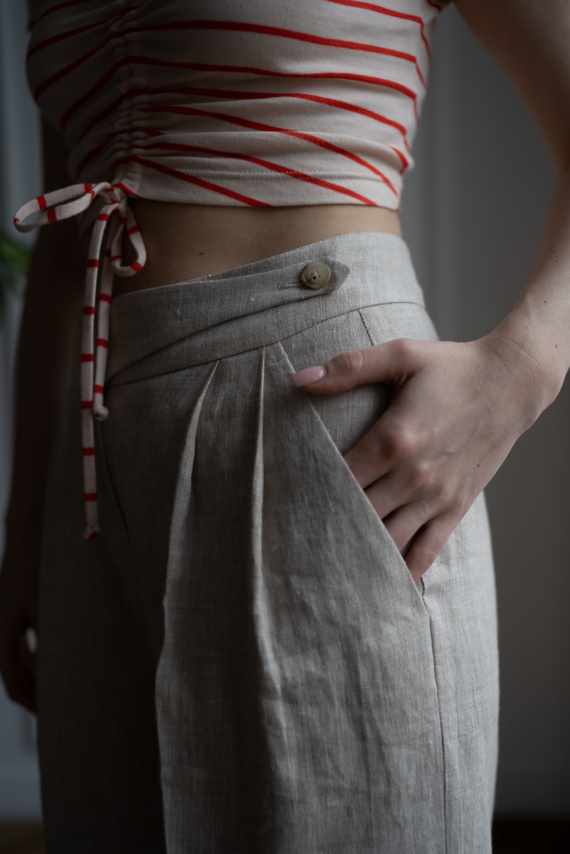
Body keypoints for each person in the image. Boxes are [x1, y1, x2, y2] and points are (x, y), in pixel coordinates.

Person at [1, 1, 568, 852]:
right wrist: (24, 532)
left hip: (315, 409)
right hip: (94, 467)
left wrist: (519, 371)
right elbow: (68, 237)